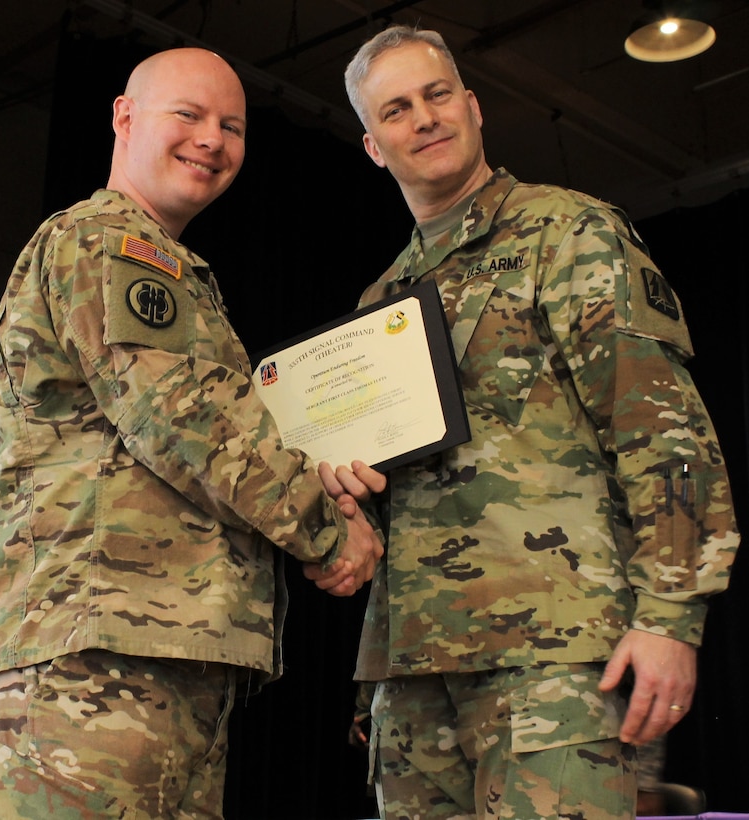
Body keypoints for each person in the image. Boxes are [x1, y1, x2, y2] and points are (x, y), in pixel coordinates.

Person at [310, 25, 741, 820]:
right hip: (409, 678)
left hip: (558, 660)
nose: (425, 117)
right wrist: (337, 496)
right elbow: (383, 494)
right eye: (397, 109)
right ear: (374, 146)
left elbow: (663, 432)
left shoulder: (569, 232)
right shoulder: (379, 304)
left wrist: (670, 617)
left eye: (438, 94)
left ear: (472, 107)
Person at [0, 47, 383, 820]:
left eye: (231, 126)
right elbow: (182, 416)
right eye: (187, 115)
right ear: (124, 118)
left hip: (154, 656)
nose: (211, 140)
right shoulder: (111, 243)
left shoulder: (169, 265)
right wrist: (326, 529)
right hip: (87, 662)